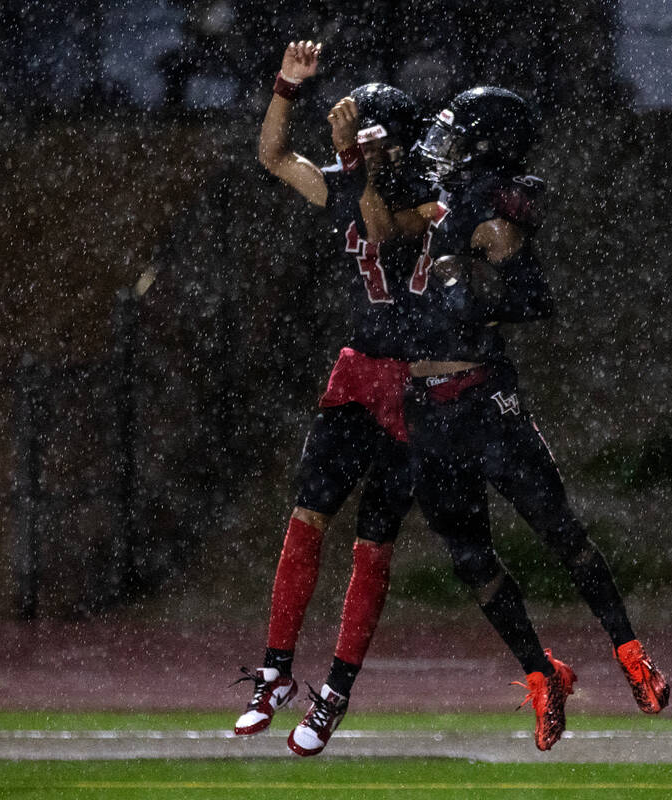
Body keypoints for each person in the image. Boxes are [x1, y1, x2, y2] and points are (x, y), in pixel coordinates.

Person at [395, 86, 670, 750]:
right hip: (428, 415)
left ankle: (630, 652)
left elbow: (532, 297)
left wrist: (470, 287)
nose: (445, 140)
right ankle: (542, 673)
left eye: (459, 131)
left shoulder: (492, 206)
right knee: (471, 561)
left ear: (486, 142)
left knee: (559, 532)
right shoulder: (440, 201)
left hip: (485, 402)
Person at [233, 41, 426, 757]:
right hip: (358, 374)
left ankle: (336, 690)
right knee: (306, 519)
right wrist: (287, 87)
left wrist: (371, 156)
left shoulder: (420, 196)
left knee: (372, 547)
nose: (341, 142)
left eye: (355, 131)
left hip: (415, 388)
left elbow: (381, 223)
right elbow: (275, 157)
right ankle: (278, 669)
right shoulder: (351, 182)